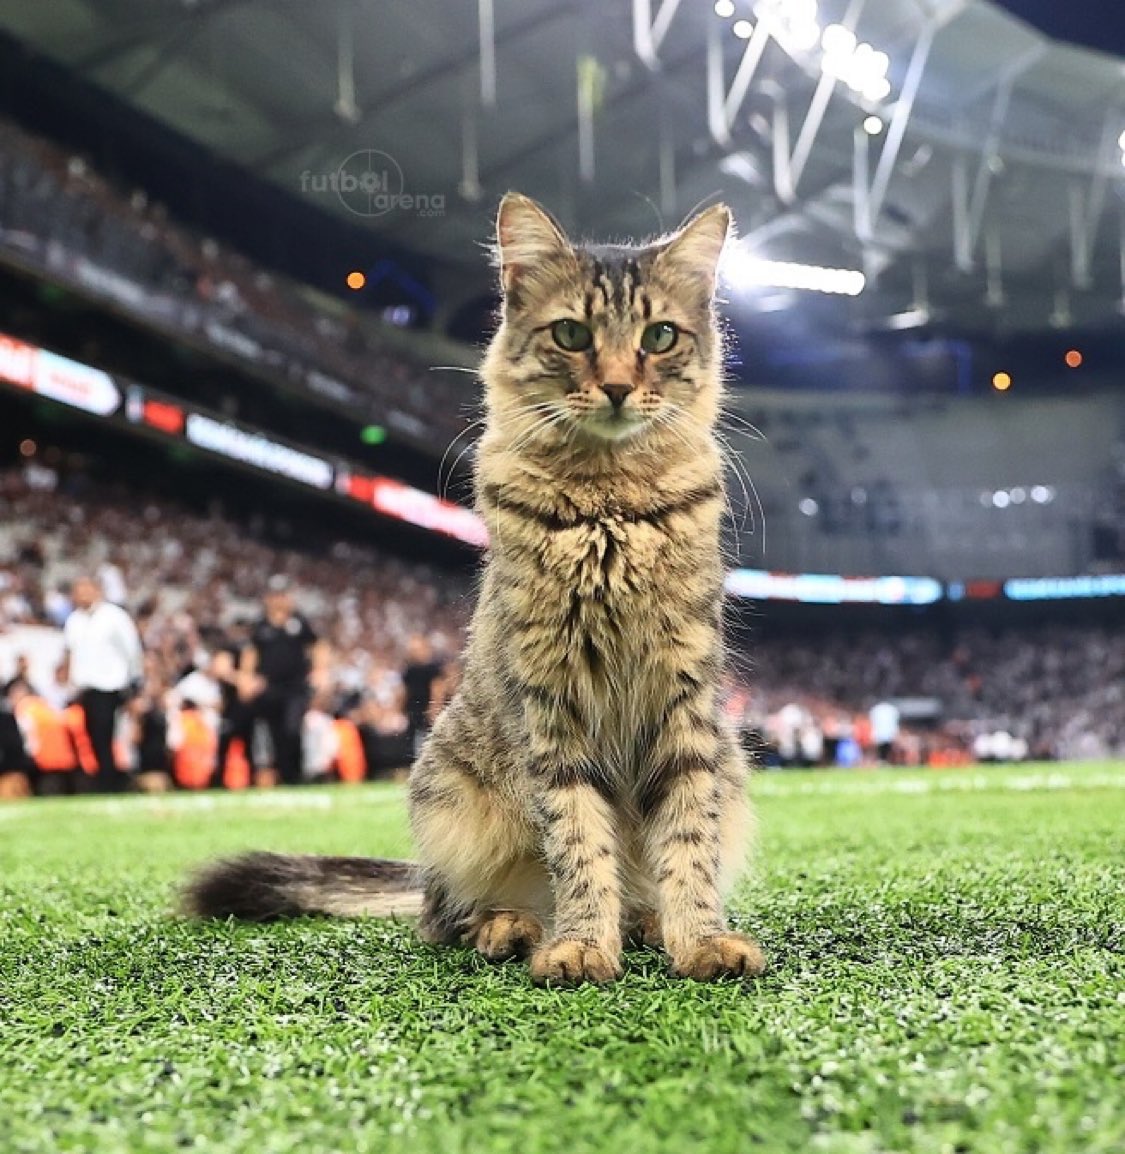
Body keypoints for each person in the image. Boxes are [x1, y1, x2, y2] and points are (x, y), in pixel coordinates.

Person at [59, 575, 142, 792]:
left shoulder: (114, 617)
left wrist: (134, 682)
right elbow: (71, 653)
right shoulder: (74, 620)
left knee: (105, 732)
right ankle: (105, 777)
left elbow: (132, 650)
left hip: (109, 685)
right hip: (84, 687)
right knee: (92, 734)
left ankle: (111, 780)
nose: (81, 595)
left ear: (98, 591)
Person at [238, 576, 323, 786]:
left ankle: (296, 773)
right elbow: (250, 654)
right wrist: (247, 678)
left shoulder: (299, 622)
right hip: (269, 688)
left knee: (292, 728)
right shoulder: (260, 625)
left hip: (296, 687)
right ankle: (282, 775)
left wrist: (320, 670)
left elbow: (318, 645)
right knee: (274, 731)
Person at [401, 634, 442, 757]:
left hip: (426, 709)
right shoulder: (409, 670)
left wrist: (434, 707)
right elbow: (406, 691)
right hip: (414, 710)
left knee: (427, 740)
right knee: (416, 741)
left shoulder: (432, 668)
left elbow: (437, 689)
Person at [869, 699, 901, 766]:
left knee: (886, 749)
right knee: (881, 749)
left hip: (884, 733)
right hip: (883, 733)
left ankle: (884, 761)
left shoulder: (877, 709)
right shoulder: (879, 710)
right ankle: (881, 761)